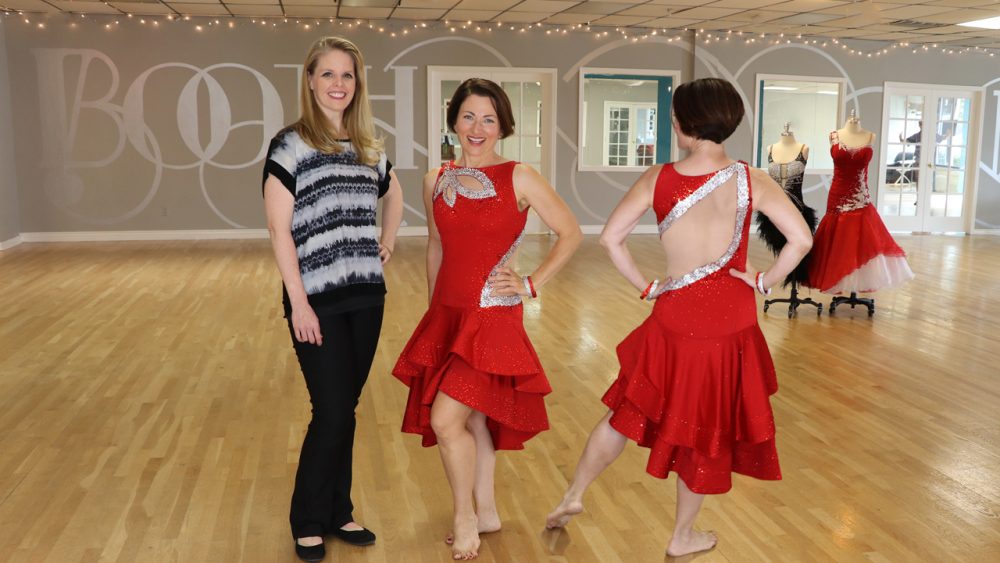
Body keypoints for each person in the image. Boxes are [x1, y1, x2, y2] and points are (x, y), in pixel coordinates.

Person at [545, 78, 812, 557]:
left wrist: (645, 286)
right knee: (704, 435)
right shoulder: (753, 179)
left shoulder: (658, 178)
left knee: (623, 412)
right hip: (729, 325)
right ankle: (682, 535)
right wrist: (764, 280)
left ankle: (574, 495)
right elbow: (802, 240)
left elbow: (609, 239)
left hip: (671, 319)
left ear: (683, 124)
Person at [393, 78, 582, 560]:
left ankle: (465, 517)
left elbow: (570, 232)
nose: (477, 128)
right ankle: (489, 508)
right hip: (449, 313)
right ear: (454, 119)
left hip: (493, 316)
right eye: (469, 117)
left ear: (503, 126)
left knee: (446, 419)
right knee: (473, 416)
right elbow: (437, 244)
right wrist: (433, 309)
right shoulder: (435, 179)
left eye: (489, 119)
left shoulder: (520, 175)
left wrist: (532, 282)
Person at [262, 36, 403, 563]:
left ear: (357, 84)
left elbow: (394, 193)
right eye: (328, 75)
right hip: (316, 299)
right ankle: (307, 518)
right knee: (332, 409)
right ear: (310, 80)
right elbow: (279, 231)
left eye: (347, 75)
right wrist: (297, 302)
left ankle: (339, 509)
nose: (338, 84)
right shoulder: (290, 144)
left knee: (347, 408)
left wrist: (386, 240)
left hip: (366, 295)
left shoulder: (369, 145)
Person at [808, 115, 913, 296]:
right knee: (839, 240)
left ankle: (856, 281)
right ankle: (839, 279)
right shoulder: (834, 136)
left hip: (860, 196)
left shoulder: (870, 136)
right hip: (838, 195)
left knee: (861, 239)